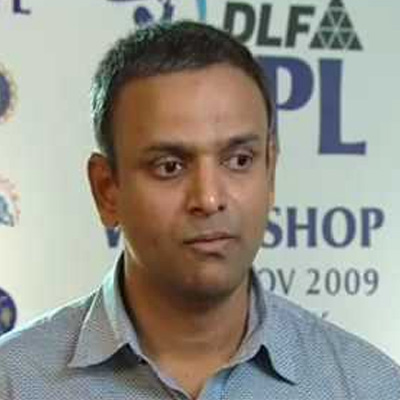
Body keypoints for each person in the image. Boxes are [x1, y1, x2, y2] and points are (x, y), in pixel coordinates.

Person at [0, 21, 399, 400]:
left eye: (239, 160)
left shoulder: (368, 386)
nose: (208, 199)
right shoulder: (14, 381)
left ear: (270, 172)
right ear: (106, 191)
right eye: (169, 166)